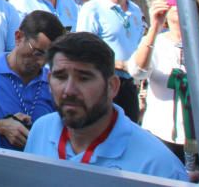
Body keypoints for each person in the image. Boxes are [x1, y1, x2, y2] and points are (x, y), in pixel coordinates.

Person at [24, 32, 187, 181]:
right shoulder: (41, 130)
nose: (69, 90)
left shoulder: (157, 167)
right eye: (61, 77)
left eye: (84, 78)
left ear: (112, 86)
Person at [128, 0, 199, 164]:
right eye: (172, 4)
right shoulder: (157, 42)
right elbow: (137, 71)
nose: (177, 7)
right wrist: (155, 27)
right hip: (163, 132)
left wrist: (195, 30)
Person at [0, 11, 66, 150]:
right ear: (18, 37)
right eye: (38, 52)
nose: (42, 62)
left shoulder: (52, 82)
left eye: (50, 57)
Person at [75, 0, 143, 123]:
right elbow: (84, 52)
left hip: (130, 84)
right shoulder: (92, 9)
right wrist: (121, 64)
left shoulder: (135, 10)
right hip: (104, 84)